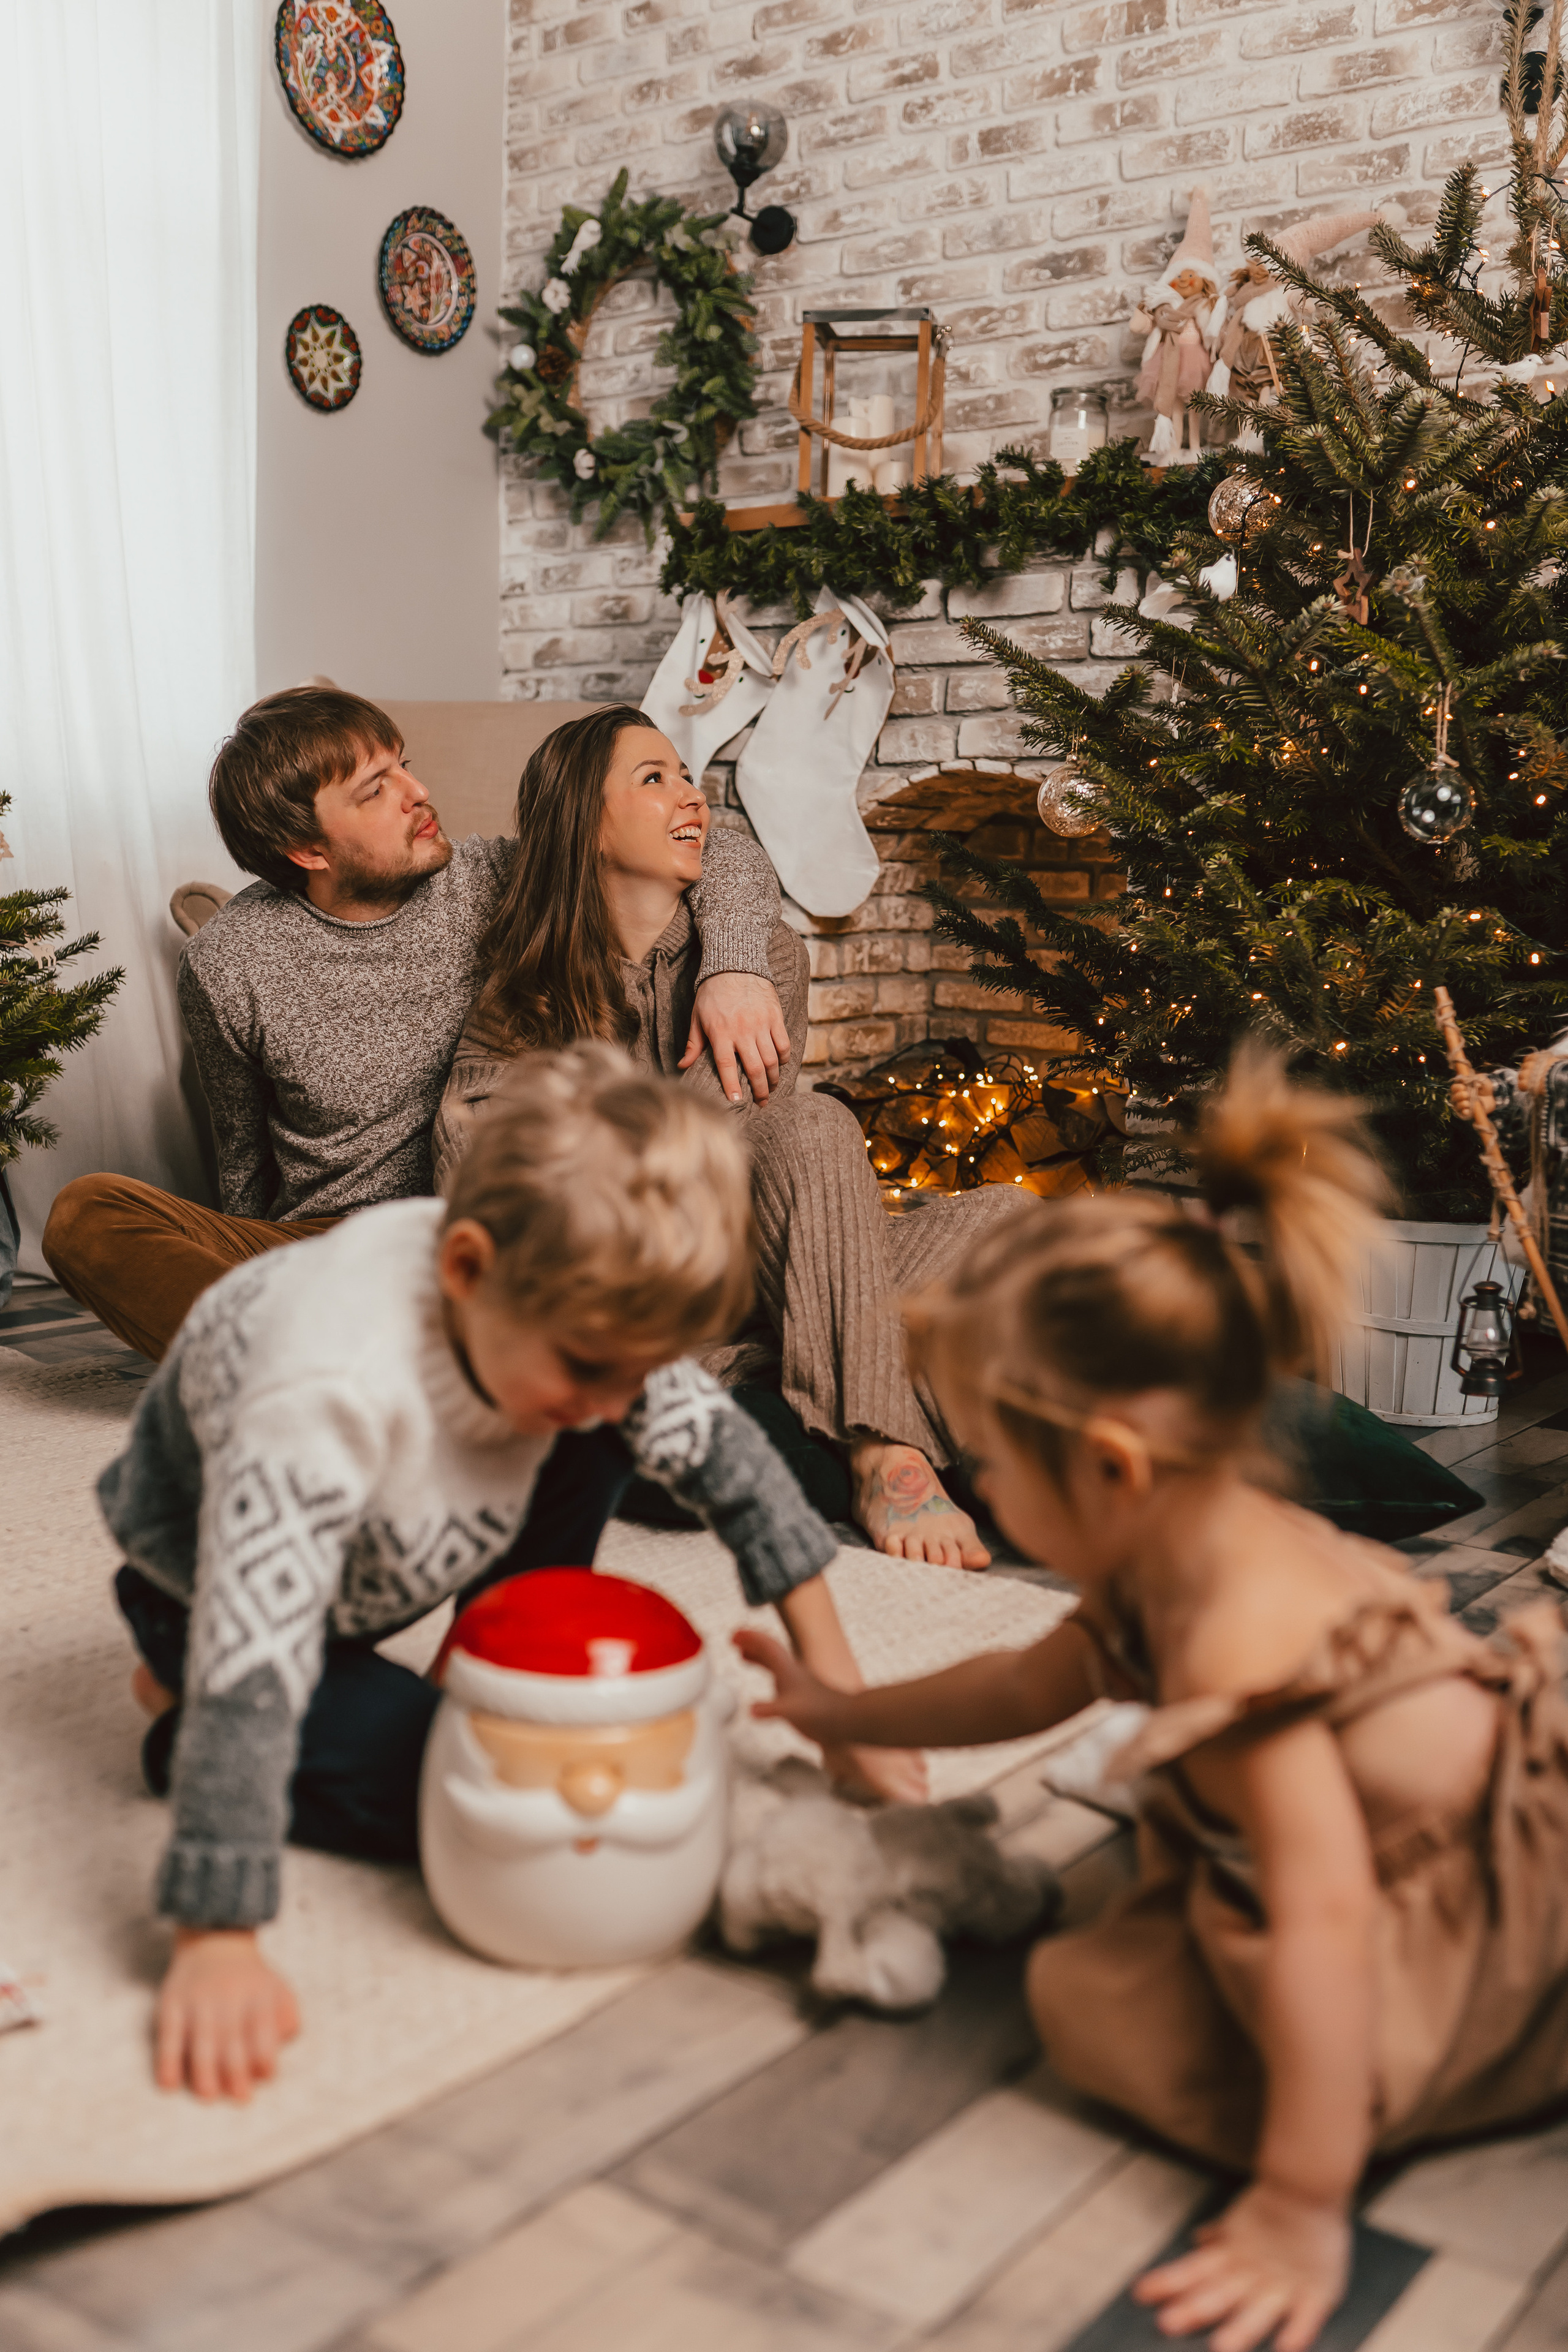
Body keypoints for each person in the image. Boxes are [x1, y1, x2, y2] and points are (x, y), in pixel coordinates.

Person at [737, 1044, 1568, 2352]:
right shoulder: (1173, 1543)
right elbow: (1025, 1681)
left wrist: (1301, 2200)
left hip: (1495, 1891)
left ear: (1113, 1471)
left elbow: (1324, 1914)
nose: (986, 1496)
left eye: (995, 1465)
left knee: (1096, 2006)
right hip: (1414, 1826)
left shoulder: (1238, 1642)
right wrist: (839, 1713)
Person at [102, 1042, 925, 2105]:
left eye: (634, 1367)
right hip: (213, 1595)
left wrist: (841, 1701)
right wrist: (216, 1937)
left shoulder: (577, 1320)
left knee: (602, 1437)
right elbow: (253, 1656)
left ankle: (485, 1651)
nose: (612, 1391)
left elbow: (737, 1470)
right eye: (589, 1365)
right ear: (468, 1270)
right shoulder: (322, 1390)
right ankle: (170, 1713)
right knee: (479, 1802)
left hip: (388, 1549)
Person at [434, 706, 1026, 1572]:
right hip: (640, 1290)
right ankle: (882, 1448)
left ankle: (782, 1369)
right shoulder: (523, 998)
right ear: (585, 825)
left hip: (759, 1261)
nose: (692, 796)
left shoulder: (763, 961)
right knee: (820, 1124)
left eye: (687, 775)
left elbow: (745, 1150)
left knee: (1004, 1216)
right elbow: (490, 1196)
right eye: (654, 779)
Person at [41, 685, 790, 1365]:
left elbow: (718, 848)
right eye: (377, 789)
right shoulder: (226, 962)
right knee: (84, 1214)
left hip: (481, 1232)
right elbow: (242, 1153)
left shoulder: (497, 878)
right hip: (324, 1243)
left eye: (405, 766)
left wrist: (733, 965)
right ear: (307, 850)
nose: (419, 793)